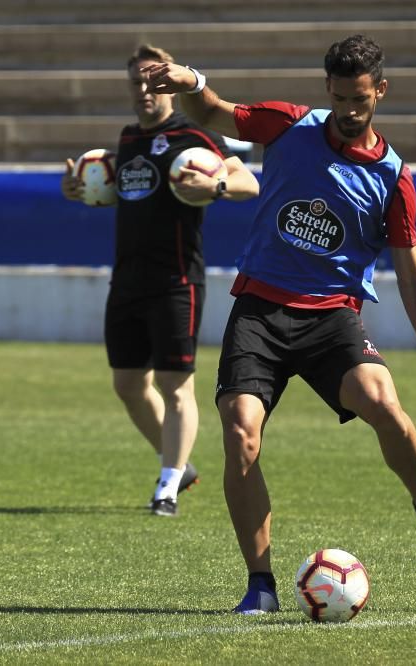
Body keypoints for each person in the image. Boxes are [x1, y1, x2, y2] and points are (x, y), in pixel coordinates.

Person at [145, 34, 416, 612]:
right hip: (260, 307)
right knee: (240, 434)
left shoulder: (392, 177)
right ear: (327, 90)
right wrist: (192, 82)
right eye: (339, 98)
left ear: (379, 91)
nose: (349, 111)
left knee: (383, 403)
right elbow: (216, 113)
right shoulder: (290, 125)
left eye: (359, 99)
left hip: (332, 314)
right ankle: (261, 586)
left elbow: (411, 271)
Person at [61, 44, 260, 517]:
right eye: (136, 81)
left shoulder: (191, 136)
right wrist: (83, 191)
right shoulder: (128, 140)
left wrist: (215, 186)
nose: (145, 89)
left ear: (169, 85)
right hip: (127, 279)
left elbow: (248, 182)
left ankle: (167, 486)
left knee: (175, 385)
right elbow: (127, 193)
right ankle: (180, 464)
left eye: (154, 80)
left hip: (177, 279)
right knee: (128, 384)